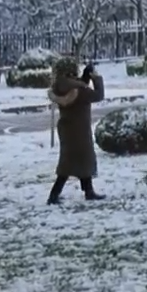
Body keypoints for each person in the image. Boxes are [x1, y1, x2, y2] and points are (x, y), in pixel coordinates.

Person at [47, 58, 107, 205]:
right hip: (79, 130)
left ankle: (86, 191)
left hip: (67, 129)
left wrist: (85, 78)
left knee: (70, 161)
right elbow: (98, 95)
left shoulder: (60, 86)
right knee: (81, 160)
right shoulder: (79, 90)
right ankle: (55, 196)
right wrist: (96, 78)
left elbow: (77, 85)